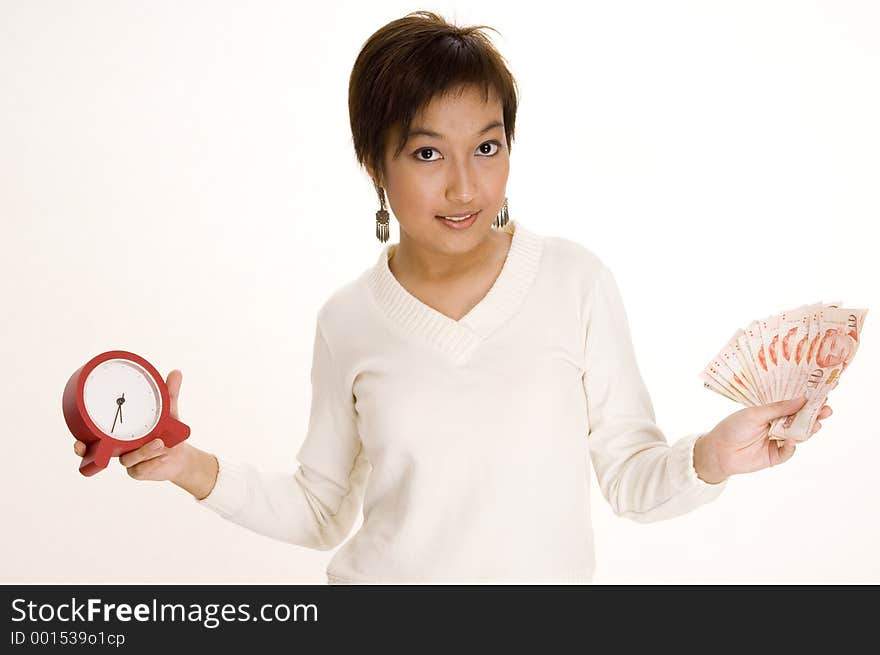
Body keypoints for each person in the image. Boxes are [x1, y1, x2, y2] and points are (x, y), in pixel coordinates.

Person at [73, 10, 832, 584]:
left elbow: (630, 479)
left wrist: (712, 456)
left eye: (488, 146)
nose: (465, 185)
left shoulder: (576, 282)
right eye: (428, 152)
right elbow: (321, 508)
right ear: (376, 161)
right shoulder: (348, 320)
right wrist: (190, 466)